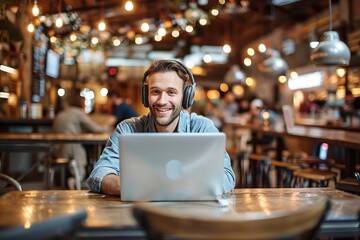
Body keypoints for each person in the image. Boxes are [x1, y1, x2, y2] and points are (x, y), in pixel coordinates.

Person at [86, 59, 236, 195]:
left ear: (185, 97)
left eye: (171, 92)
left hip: (192, 215)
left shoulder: (202, 128)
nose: (162, 101)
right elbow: (99, 174)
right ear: (146, 96)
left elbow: (226, 176)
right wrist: (130, 186)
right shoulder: (127, 130)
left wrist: (174, 187)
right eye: (155, 92)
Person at [52, 90, 112, 189]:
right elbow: (96, 128)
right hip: (71, 149)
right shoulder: (78, 113)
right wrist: (112, 129)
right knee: (83, 154)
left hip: (57, 150)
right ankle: (76, 181)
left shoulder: (61, 113)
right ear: (80, 103)